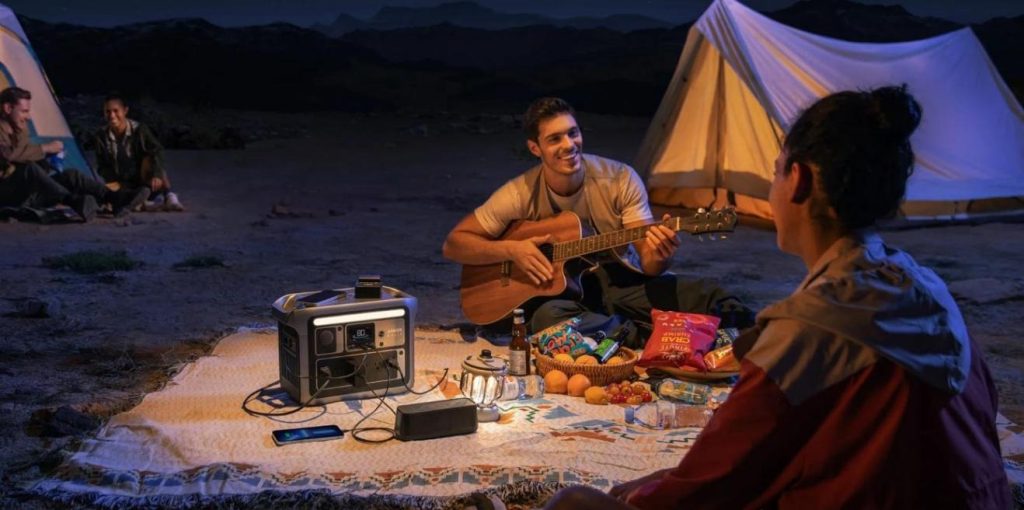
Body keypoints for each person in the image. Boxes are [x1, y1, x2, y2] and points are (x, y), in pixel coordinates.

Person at [543, 86, 1011, 509]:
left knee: (572, 503)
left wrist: (647, 494)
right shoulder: (927, 288)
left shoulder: (809, 329)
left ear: (798, 180)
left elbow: (714, 484)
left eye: (775, 172)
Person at [442, 97, 751, 345]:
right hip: (564, 297)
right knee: (548, 320)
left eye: (573, 133)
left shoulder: (620, 179)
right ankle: (647, 333)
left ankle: (627, 332)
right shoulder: (519, 192)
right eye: (555, 139)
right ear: (535, 148)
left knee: (707, 295)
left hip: (622, 282)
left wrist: (661, 255)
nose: (568, 144)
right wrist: (512, 250)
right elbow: (455, 244)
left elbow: (649, 262)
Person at [0, 86, 137, 221]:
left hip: (28, 193)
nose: (28, 117)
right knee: (29, 168)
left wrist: (46, 158)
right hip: (7, 197)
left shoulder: (19, 129)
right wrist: (45, 148)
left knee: (71, 176)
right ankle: (73, 201)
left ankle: (113, 198)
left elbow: (23, 154)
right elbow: (8, 155)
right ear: (8, 108)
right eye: (24, 111)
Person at [93, 94, 183, 212]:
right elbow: (102, 165)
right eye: (108, 112)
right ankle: (138, 201)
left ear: (125, 111)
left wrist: (156, 174)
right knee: (105, 193)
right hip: (119, 180)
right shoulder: (101, 136)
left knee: (151, 158)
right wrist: (114, 181)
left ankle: (169, 195)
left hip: (141, 175)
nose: (112, 115)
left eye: (116, 111)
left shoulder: (139, 129)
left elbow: (157, 150)